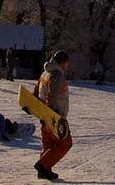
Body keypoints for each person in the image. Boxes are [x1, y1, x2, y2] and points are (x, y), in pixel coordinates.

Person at [33, 50, 73, 181]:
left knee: (49, 145)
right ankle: (43, 165)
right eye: (66, 63)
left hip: (44, 115)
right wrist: (53, 116)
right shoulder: (57, 75)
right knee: (65, 144)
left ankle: (45, 171)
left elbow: (36, 90)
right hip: (54, 117)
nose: (67, 66)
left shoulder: (45, 72)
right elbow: (51, 96)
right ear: (62, 63)